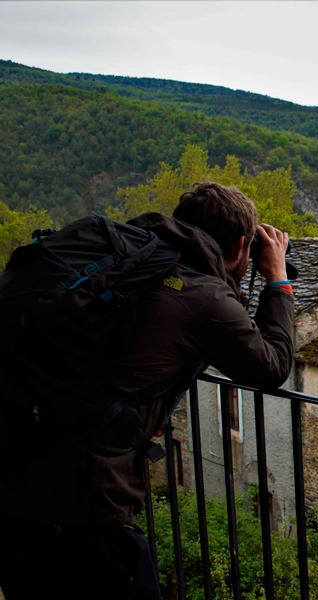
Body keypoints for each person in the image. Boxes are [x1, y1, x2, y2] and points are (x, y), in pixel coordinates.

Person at [0, 182, 295, 599]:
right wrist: (277, 278)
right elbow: (272, 365)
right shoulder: (201, 295)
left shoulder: (131, 264)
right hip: (84, 496)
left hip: (16, 462)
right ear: (240, 246)